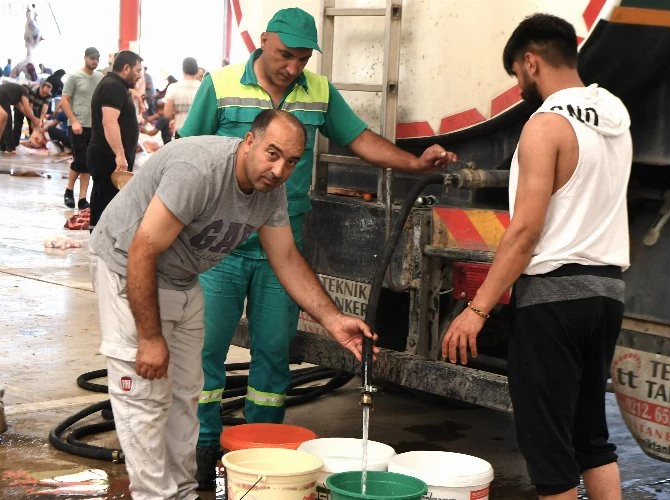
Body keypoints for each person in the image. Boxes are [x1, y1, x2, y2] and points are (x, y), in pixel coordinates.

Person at [178, 6, 458, 489]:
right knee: (206, 353)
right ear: (264, 41)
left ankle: (264, 452)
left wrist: (414, 164)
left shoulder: (319, 92)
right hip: (220, 247)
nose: (293, 67)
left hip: (282, 247)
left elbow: (360, 139)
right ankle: (201, 448)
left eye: (303, 59)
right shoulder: (220, 86)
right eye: (285, 55)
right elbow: (186, 153)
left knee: (273, 356)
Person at [89, 109, 378, 500]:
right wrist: (150, 338)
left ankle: (182, 492)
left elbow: (286, 258)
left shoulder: (270, 190)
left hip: (181, 276)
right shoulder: (200, 171)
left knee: (186, 393)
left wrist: (333, 319)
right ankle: (155, 495)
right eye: (272, 154)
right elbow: (142, 250)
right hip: (127, 267)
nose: (279, 170)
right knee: (145, 395)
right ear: (249, 142)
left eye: (291, 161)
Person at [441, 13, 632, 500]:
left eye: (516, 74)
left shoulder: (545, 126)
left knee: (548, 451)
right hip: (606, 294)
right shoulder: (615, 119)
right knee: (590, 438)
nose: (520, 85)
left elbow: (525, 231)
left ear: (530, 62)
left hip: (553, 302)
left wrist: (477, 309)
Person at [87, 50, 142, 230]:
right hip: (108, 157)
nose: (139, 75)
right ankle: (100, 240)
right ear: (126, 68)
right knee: (105, 204)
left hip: (110, 156)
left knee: (107, 203)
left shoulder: (117, 86)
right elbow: (109, 122)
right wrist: (119, 154)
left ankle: (100, 237)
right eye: (137, 70)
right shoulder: (113, 87)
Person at [61, 47, 104, 209]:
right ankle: (69, 190)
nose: (95, 61)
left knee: (89, 162)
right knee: (80, 161)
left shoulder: (100, 77)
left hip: (94, 126)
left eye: (97, 59)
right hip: (77, 125)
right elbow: (64, 100)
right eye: (92, 58)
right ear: (85, 58)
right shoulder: (74, 77)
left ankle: (82, 198)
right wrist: (74, 121)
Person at [0, 82, 41, 153]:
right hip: (2, 96)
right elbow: (27, 108)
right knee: (8, 122)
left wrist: (32, 118)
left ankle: (3, 146)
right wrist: (34, 119)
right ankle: (9, 148)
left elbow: (22, 110)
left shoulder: (15, 95)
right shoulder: (25, 91)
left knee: (3, 123)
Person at [163, 57, 200, 137]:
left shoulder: (173, 87)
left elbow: (167, 114)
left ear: (183, 70)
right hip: (198, 132)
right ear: (197, 70)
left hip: (180, 131)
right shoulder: (202, 87)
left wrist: (174, 117)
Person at [11, 81, 51, 150]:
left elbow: (45, 108)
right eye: (43, 92)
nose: (44, 95)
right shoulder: (33, 91)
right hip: (22, 106)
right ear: (40, 88)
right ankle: (13, 145)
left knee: (34, 126)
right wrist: (33, 119)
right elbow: (30, 106)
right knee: (18, 126)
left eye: (46, 93)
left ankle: (33, 143)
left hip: (34, 109)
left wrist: (41, 119)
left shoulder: (49, 94)